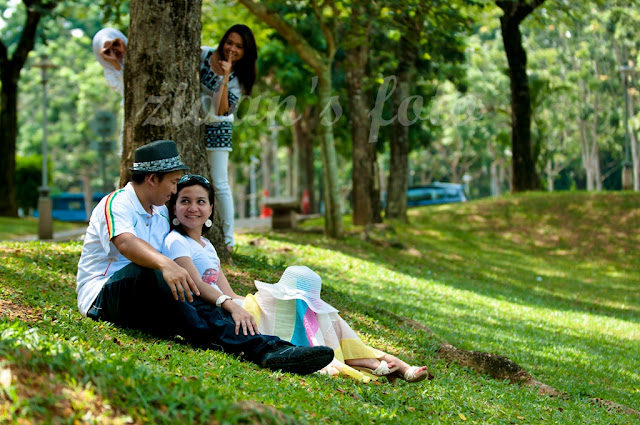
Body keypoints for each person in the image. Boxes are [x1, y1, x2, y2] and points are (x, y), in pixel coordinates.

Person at [75, 140, 334, 375]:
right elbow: (125, 243)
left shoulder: (161, 213)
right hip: (103, 297)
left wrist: (225, 299)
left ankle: (275, 348)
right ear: (152, 179)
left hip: (145, 299)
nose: (174, 189)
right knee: (157, 274)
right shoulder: (117, 203)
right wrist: (165, 264)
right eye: (173, 182)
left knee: (193, 296)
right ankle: (258, 350)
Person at [164, 174, 432, 384]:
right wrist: (233, 306)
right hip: (217, 311)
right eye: (185, 201)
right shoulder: (176, 241)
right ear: (173, 207)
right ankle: (374, 361)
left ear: (211, 208)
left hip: (233, 306)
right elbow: (197, 286)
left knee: (312, 306)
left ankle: (377, 360)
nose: (193, 208)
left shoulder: (208, 246)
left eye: (201, 201)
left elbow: (229, 290)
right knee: (300, 303)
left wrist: (245, 304)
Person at [200, 24, 258, 252]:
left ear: (246, 51)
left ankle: (228, 240)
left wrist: (225, 74)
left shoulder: (238, 79)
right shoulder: (203, 55)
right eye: (229, 42)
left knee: (219, 183)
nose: (232, 49)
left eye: (239, 46)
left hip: (218, 128)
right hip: (193, 124)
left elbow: (221, 109)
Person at [92, 28, 127, 98]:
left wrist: (126, 52)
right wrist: (116, 64)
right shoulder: (109, 73)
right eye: (107, 51)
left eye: (115, 44)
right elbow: (127, 90)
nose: (113, 51)